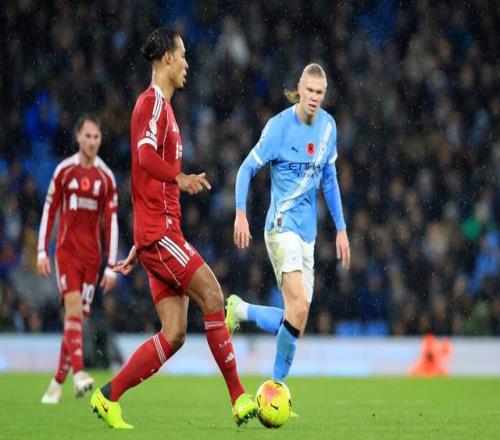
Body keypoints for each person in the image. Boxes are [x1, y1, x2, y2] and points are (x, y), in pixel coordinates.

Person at [90, 28, 257, 430]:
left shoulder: (163, 108)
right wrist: (178, 179)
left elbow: (142, 177)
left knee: (175, 333)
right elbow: (144, 156)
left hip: (156, 236)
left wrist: (141, 241)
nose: (186, 63)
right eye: (182, 56)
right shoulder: (152, 104)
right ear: (166, 58)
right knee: (213, 296)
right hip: (161, 234)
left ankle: (108, 396)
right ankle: (239, 398)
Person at [227, 63, 350, 381]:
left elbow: (330, 180)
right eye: (309, 90)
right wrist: (240, 213)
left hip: (308, 234)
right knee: (297, 309)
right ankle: (276, 387)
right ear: (300, 88)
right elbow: (246, 169)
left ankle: (240, 310)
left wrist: (341, 228)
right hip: (281, 228)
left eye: (320, 92)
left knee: (298, 320)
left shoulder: (328, 127)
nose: (314, 97)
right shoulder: (279, 127)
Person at [38, 114, 119, 403]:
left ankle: (56, 383)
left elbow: (112, 224)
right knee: (72, 309)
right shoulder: (64, 171)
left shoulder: (106, 178)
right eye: (88, 136)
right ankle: (80, 373)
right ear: (78, 137)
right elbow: (49, 211)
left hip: (92, 260)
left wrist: (110, 266)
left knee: (76, 319)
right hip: (67, 253)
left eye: (96, 137)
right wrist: (41, 251)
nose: (92, 141)